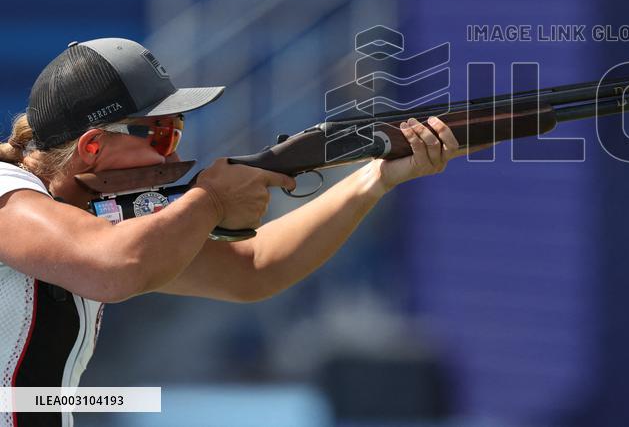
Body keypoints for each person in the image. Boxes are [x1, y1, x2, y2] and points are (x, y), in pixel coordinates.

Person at [0, 38, 470, 424]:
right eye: (160, 134)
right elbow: (114, 269)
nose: (170, 155)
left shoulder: (90, 219)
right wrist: (213, 200)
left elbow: (252, 270)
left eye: (176, 133)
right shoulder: (8, 192)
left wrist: (376, 179)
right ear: (93, 145)